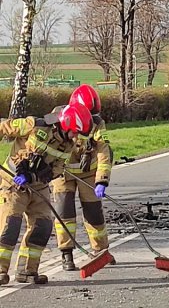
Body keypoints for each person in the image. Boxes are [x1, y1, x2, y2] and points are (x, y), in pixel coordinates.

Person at [0, 104, 93, 285]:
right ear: (66, 124)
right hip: (13, 183)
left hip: (38, 186)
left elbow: (58, 168)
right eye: (75, 132)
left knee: (42, 226)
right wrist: (23, 172)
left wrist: (40, 174)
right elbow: (4, 127)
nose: (76, 136)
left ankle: (27, 271)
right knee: (10, 225)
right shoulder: (35, 125)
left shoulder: (68, 145)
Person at [51, 84, 113, 271]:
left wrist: (102, 179)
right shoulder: (57, 117)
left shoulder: (97, 122)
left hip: (88, 174)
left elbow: (103, 150)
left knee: (94, 213)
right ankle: (66, 254)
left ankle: (101, 251)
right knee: (65, 213)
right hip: (63, 173)